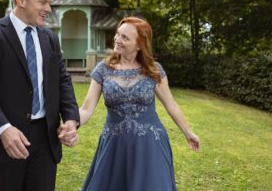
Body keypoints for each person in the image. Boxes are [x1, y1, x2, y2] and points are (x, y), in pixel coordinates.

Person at [0, 0, 80, 191]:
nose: (48, 9)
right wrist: (3, 128)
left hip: (46, 138)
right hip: (7, 139)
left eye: (49, 3)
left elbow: (62, 80)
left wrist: (71, 119)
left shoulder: (50, 38)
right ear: (21, 0)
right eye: (43, 2)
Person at [79, 17, 200, 191]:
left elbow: (171, 105)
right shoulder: (103, 69)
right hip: (114, 146)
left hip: (150, 145)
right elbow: (86, 109)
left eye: (125, 37)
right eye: (118, 34)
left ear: (139, 45)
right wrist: (71, 124)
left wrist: (189, 133)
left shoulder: (153, 70)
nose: (117, 40)